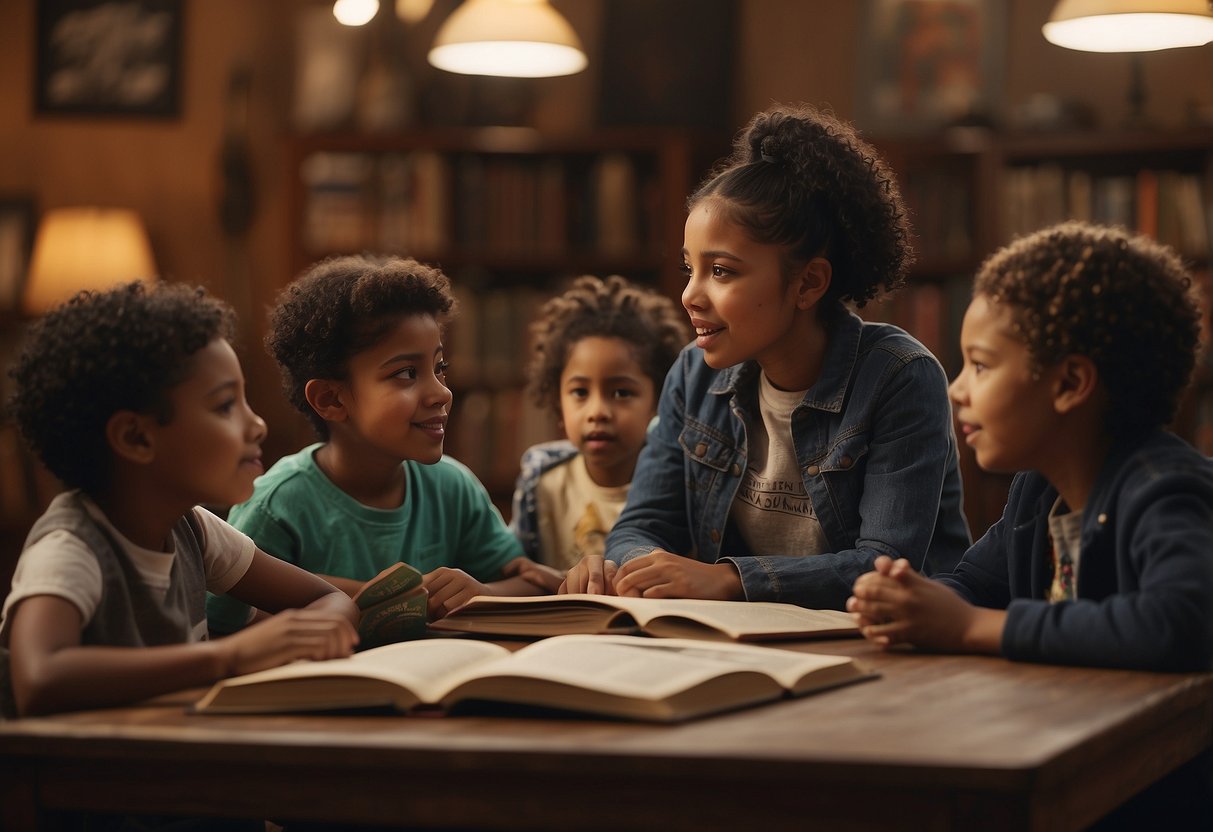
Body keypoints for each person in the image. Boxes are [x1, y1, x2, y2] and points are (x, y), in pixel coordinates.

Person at [561, 103, 971, 607]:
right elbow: (642, 524)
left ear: (808, 283)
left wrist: (731, 580)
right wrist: (627, 567)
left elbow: (884, 564)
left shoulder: (900, 378)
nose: (690, 295)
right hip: (751, 641)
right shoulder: (693, 373)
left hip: (897, 646)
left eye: (723, 271)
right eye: (690, 267)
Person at [848, 221, 1213, 671]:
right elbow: (974, 584)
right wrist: (912, 602)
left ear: (1070, 383)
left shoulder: (1166, 491)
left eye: (980, 366)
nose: (955, 391)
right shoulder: (1038, 492)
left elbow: (1180, 625)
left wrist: (969, 627)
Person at [0, 282, 359, 720]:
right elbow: (39, 678)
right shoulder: (70, 548)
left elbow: (330, 600)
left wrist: (304, 634)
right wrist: (229, 656)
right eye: (226, 405)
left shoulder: (192, 528)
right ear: (136, 437)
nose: (258, 424)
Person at [205, 254, 544, 632]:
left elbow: (530, 580)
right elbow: (222, 623)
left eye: (440, 367)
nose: (441, 393)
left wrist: (483, 592)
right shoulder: (277, 506)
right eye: (406, 373)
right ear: (331, 400)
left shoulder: (453, 487)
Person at [508, 274, 689, 588]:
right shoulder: (542, 478)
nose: (597, 412)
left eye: (621, 393)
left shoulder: (679, 479)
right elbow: (521, 571)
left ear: (659, 402)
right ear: (557, 401)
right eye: (579, 392)